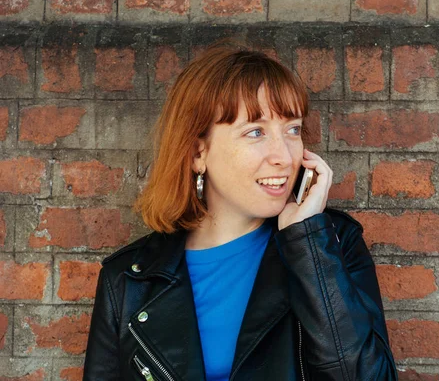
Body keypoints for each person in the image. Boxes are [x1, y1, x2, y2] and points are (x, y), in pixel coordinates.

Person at [82, 44, 397, 381]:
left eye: (292, 129)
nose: (284, 157)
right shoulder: (129, 280)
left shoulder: (334, 244)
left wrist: (309, 244)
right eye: (255, 132)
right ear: (197, 153)